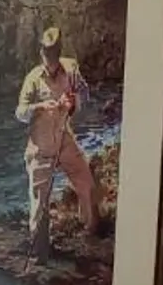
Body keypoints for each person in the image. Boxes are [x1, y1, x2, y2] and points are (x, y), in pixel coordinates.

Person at [15, 27, 100, 257]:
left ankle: (91, 232)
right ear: (41, 53)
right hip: (40, 146)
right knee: (39, 201)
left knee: (86, 182)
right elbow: (20, 112)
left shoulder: (71, 69)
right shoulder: (33, 79)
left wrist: (73, 102)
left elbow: (84, 93)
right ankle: (39, 250)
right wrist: (39, 107)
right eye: (46, 53)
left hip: (64, 139)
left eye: (53, 54)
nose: (50, 58)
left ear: (59, 52)